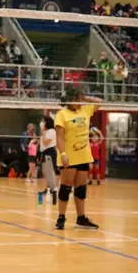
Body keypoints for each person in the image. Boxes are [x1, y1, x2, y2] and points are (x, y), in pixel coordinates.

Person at [54, 87, 103, 230]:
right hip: (69, 156)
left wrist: (84, 97)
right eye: (75, 100)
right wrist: (63, 154)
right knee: (65, 187)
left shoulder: (85, 110)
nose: (78, 102)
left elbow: (100, 101)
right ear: (69, 101)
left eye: (78, 99)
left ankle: (81, 218)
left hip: (84, 155)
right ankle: (61, 217)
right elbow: (59, 137)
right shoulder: (62, 114)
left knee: (81, 189)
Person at [38, 115, 58, 205]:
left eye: (43, 121)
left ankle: (53, 190)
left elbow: (46, 142)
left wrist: (42, 133)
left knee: (49, 171)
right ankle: (49, 188)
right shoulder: (45, 132)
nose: (41, 123)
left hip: (49, 153)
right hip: (44, 153)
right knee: (45, 172)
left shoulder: (51, 131)